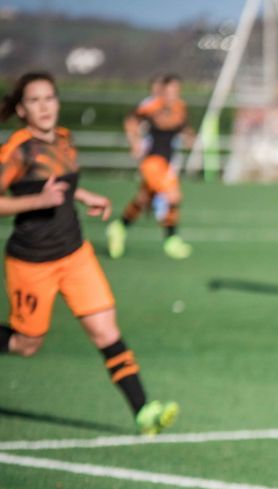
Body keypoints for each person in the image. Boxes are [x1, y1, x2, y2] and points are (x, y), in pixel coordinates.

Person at [0, 72, 179, 435]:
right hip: (32, 260)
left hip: (75, 253)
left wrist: (85, 195)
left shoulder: (65, 140)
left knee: (105, 330)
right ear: (21, 109)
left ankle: (144, 411)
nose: (44, 106)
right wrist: (38, 200)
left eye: (49, 98)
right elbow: (31, 193)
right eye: (34, 100)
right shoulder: (18, 150)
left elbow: (64, 184)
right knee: (27, 343)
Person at [106, 74, 193, 260]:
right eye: (169, 91)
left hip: (167, 162)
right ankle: (171, 239)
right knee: (173, 195)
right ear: (162, 91)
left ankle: (119, 227)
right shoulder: (153, 106)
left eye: (176, 91)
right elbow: (131, 120)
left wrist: (189, 138)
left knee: (144, 199)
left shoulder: (180, 108)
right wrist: (134, 142)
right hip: (152, 162)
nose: (172, 94)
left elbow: (184, 128)